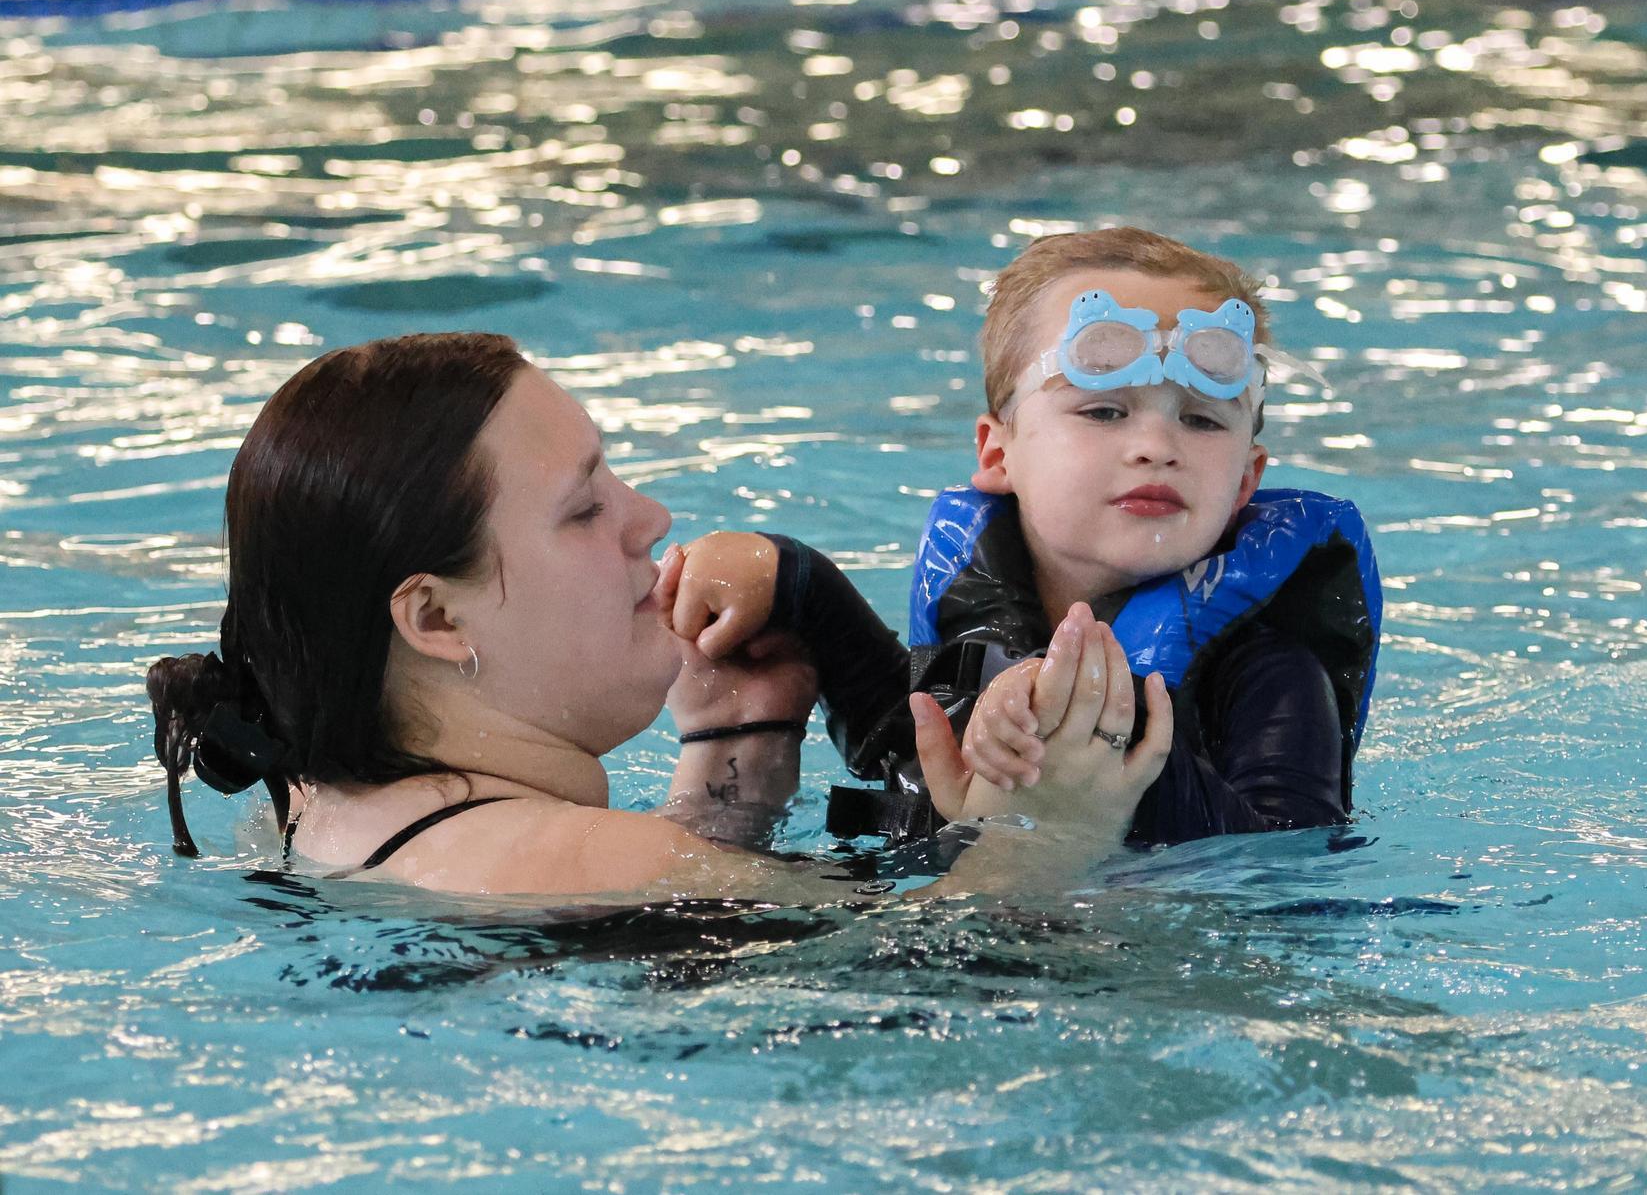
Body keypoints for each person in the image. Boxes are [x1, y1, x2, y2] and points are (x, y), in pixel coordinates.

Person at [145, 332, 1169, 899]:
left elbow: (647, 918)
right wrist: (1050, 835)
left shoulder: (306, 808)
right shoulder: (601, 865)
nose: (650, 518)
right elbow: (968, 991)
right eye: (585, 507)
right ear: (436, 618)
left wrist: (733, 757)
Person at [671, 227, 1381, 848]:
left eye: (1201, 420)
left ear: (1245, 482)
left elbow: (1288, 872)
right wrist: (792, 581)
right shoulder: (976, 602)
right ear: (998, 453)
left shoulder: (1275, 678)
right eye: (1104, 412)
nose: (1158, 446)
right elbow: (907, 742)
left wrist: (1101, 739)